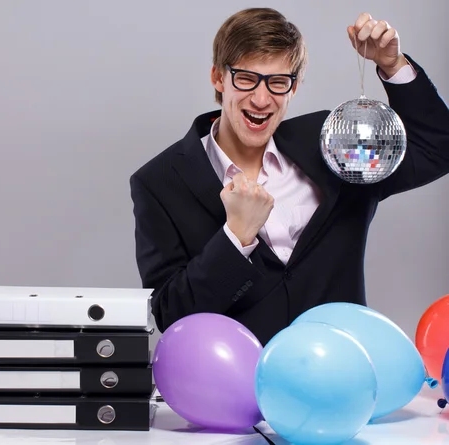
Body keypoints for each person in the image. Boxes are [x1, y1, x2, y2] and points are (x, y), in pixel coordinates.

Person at [129, 7, 449, 346]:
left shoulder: (334, 141)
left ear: (294, 88)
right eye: (246, 78)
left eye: (278, 82)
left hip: (341, 377)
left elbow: (436, 150)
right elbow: (171, 313)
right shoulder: (160, 181)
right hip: (236, 388)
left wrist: (392, 64)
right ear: (218, 78)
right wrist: (236, 238)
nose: (262, 98)